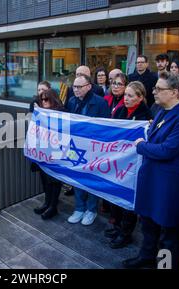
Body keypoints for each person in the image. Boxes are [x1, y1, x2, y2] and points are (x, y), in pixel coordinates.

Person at [123, 71, 179, 269]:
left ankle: (165, 266)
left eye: (159, 88)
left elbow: (168, 150)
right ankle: (146, 256)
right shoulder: (161, 110)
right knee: (147, 223)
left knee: (167, 232)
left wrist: (141, 146)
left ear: (174, 92)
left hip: (168, 184)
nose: (154, 91)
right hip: (151, 177)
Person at [105, 81, 152, 249]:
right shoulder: (120, 110)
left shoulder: (145, 116)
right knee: (116, 196)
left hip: (133, 165)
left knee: (128, 200)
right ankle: (117, 226)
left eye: (130, 96)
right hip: (118, 162)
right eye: (125, 95)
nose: (126, 98)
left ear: (140, 97)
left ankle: (126, 234)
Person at [65, 75, 110, 226]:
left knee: (91, 179)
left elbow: (106, 127)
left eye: (79, 87)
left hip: (93, 148)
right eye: (74, 87)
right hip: (75, 146)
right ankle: (79, 208)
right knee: (76, 177)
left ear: (89, 86)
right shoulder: (71, 101)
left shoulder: (100, 102)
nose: (76, 90)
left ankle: (91, 210)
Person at [32, 89, 65, 219]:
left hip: (56, 152)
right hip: (43, 151)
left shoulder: (62, 112)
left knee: (54, 180)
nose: (43, 102)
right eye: (42, 100)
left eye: (46, 99)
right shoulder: (41, 112)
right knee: (45, 179)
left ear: (53, 99)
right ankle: (46, 202)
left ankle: (53, 206)